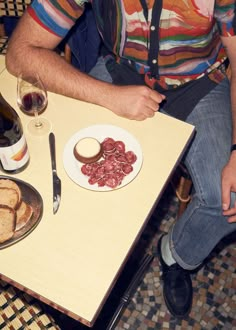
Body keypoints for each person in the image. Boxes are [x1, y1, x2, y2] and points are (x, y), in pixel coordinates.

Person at [6, 0, 236, 319]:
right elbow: (20, 53)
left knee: (229, 198)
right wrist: (108, 97)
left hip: (200, 84)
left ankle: (176, 255)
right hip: (119, 74)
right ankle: (78, 274)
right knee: (72, 179)